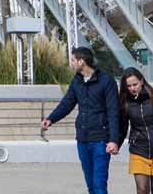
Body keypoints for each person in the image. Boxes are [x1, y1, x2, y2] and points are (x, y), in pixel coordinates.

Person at [42, 46, 122, 194]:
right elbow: (67, 104)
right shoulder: (77, 81)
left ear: (81, 61)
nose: (71, 63)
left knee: (99, 185)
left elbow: (113, 111)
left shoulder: (106, 81)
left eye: (73, 60)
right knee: (90, 185)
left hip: (100, 140)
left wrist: (113, 140)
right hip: (82, 139)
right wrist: (51, 119)